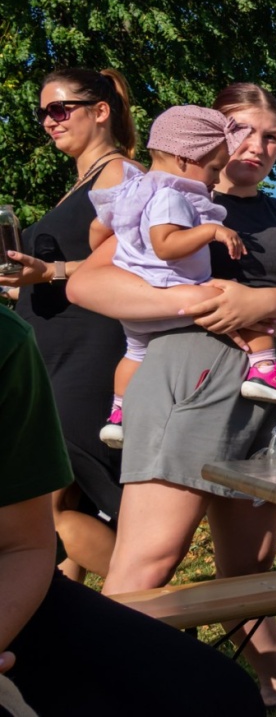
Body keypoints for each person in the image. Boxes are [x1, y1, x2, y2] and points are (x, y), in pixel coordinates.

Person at [67, 83, 276, 710]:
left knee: (249, 566)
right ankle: (88, 696)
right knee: (149, 563)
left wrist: (260, 302)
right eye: (241, 130)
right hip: (192, 374)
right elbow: (87, 284)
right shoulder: (169, 197)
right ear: (209, 135)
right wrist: (191, 301)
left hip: (273, 380)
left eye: (271, 136)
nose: (257, 146)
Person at [0, 303, 266, 717]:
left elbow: (21, 544)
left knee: (223, 697)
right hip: (161, 380)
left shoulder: (7, 339)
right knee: (130, 550)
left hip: (17, 593)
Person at [89, 104, 276, 449]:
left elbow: (96, 232)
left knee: (134, 354)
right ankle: (264, 370)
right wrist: (210, 231)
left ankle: (119, 413)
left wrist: (126, 248)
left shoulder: (134, 190)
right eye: (214, 168)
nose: (215, 178)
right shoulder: (172, 197)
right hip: (176, 287)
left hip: (140, 302)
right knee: (246, 310)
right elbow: (167, 246)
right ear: (183, 159)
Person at [1, 67, 140, 582]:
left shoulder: (121, 174)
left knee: (49, 510)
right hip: (53, 353)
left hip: (87, 355)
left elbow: (137, 260)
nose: (48, 121)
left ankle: (153, 607)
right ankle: (70, 619)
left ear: (100, 111)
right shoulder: (81, 184)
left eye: (60, 109)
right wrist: (18, 286)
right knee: (66, 502)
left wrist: (50, 272)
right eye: (43, 112)